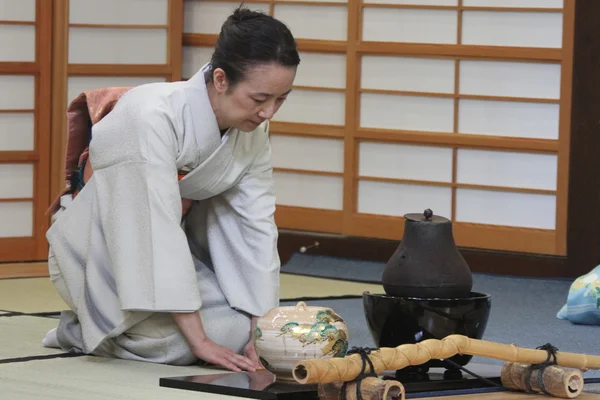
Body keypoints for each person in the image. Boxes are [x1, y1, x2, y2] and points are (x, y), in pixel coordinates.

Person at [42, 7, 300, 373]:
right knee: (183, 345)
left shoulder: (252, 131)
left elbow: (255, 223)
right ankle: (79, 328)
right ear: (222, 79)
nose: (268, 113)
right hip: (97, 252)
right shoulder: (150, 116)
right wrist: (200, 342)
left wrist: (260, 328)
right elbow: (154, 228)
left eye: (281, 99)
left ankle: (104, 328)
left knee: (240, 329)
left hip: (173, 259)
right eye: (259, 100)